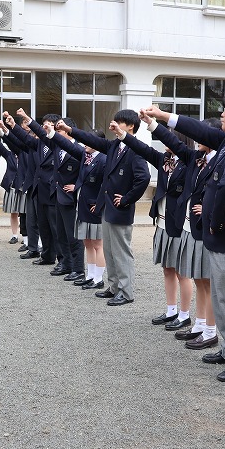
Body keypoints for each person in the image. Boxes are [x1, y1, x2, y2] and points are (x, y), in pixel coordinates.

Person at [144, 90, 225, 384]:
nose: (222, 115)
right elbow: (198, 130)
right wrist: (163, 118)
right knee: (224, 299)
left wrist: (216, 221)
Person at [58, 110, 150, 306]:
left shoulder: (136, 150)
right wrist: (70, 130)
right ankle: (114, 286)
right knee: (109, 250)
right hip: (108, 207)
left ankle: (126, 292)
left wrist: (127, 199)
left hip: (121, 209)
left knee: (121, 251)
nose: (114, 124)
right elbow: (95, 141)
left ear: (130, 126)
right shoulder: (116, 145)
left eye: (119, 122)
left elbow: (144, 178)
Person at [145, 116, 219, 350]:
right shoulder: (198, 158)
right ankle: (199, 325)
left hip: (204, 227)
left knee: (207, 281)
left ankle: (210, 330)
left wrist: (210, 208)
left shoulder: (221, 160)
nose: (198, 139)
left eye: (203, 135)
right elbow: (174, 143)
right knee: (199, 279)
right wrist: (153, 123)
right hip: (190, 224)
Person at [124, 112, 193, 332]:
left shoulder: (189, 161)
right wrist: (123, 136)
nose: (166, 142)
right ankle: (171, 310)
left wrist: (154, 124)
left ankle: (184, 315)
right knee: (167, 268)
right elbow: (144, 149)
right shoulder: (165, 160)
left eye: (170, 137)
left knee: (183, 272)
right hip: (162, 221)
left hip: (179, 222)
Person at [50, 126, 108, 290]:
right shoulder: (86, 156)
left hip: (94, 206)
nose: (85, 144)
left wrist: (99, 203)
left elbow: (105, 185)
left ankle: (98, 279)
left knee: (97, 243)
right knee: (88, 242)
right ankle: (90, 276)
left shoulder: (103, 159)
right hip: (83, 204)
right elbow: (68, 145)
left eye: (89, 140)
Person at [7, 110, 59, 268]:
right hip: (38, 188)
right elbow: (25, 139)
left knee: (54, 227)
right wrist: (13, 126)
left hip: (52, 190)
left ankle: (62, 259)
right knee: (41, 224)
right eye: (44, 125)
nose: (45, 128)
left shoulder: (57, 142)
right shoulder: (40, 143)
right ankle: (47, 255)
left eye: (49, 125)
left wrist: (27, 119)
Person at [42, 117, 84, 281]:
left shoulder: (79, 149)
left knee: (73, 235)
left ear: (68, 130)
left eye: (59, 131)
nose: (56, 134)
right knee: (61, 233)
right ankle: (65, 263)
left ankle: (78, 268)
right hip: (58, 195)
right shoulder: (59, 148)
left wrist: (77, 185)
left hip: (71, 197)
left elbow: (86, 171)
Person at [0, 123, 24, 243]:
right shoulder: (10, 155)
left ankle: (27, 238)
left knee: (25, 214)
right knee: (13, 212)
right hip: (12, 186)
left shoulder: (27, 154)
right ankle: (14, 235)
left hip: (24, 188)